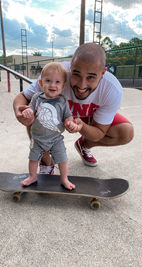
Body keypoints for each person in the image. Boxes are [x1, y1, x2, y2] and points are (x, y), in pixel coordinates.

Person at [13, 42, 134, 173]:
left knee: (125, 132)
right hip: (57, 114)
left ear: (103, 73)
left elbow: (99, 133)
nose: (82, 85)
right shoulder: (57, 73)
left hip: (89, 117)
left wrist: (82, 127)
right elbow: (23, 97)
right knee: (34, 110)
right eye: (76, 74)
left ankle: (84, 145)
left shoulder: (112, 89)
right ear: (70, 67)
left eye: (91, 77)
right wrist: (19, 111)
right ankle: (46, 160)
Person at [20, 62, 82, 190]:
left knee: (63, 159)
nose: (52, 85)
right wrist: (28, 112)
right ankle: (33, 176)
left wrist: (70, 122)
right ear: (41, 83)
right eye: (48, 80)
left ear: (63, 86)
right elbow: (31, 109)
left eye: (57, 82)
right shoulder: (37, 98)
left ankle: (64, 179)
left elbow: (68, 116)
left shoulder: (62, 101)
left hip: (55, 138)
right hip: (37, 138)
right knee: (33, 159)